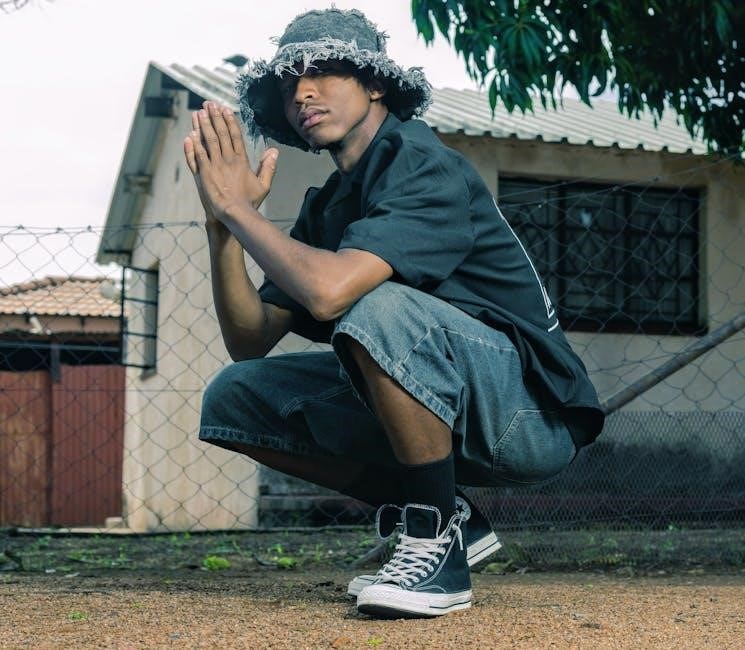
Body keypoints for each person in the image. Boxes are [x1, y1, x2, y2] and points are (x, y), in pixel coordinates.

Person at [183, 8, 604, 618]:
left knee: (373, 304)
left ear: (375, 83)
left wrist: (241, 211)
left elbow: (331, 294)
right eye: (289, 82)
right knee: (235, 396)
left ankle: (437, 547)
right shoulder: (330, 206)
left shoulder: (422, 162)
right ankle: (447, 514)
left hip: (529, 415)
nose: (301, 93)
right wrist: (222, 227)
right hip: (454, 399)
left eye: (322, 72)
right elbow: (249, 338)